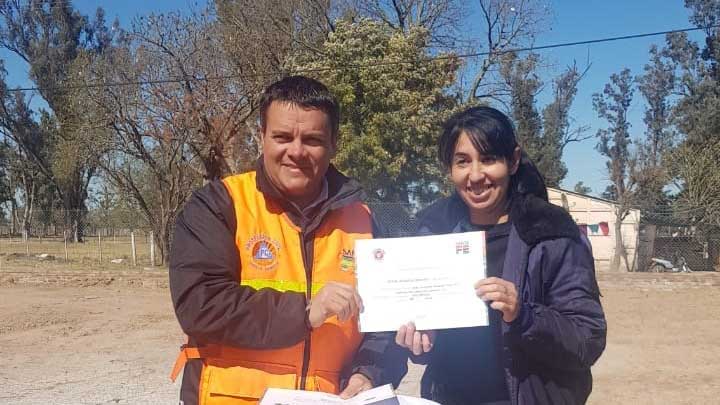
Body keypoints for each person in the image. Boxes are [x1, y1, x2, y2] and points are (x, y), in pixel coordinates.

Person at [168, 76, 401, 405]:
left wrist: (369, 373)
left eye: (312, 139)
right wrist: (305, 311)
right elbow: (200, 305)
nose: (296, 151)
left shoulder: (366, 219)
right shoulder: (220, 205)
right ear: (261, 136)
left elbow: (384, 326)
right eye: (282, 137)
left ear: (334, 143)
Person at [394, 106, 607, 405]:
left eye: (489, 159)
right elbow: (422, 343)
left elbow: (587, 339)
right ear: (449, 168)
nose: (475, 175)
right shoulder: (432, 232)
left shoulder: (550, 232)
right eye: (462, 161)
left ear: (513, 160)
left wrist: (523, 314)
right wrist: (419, 341)